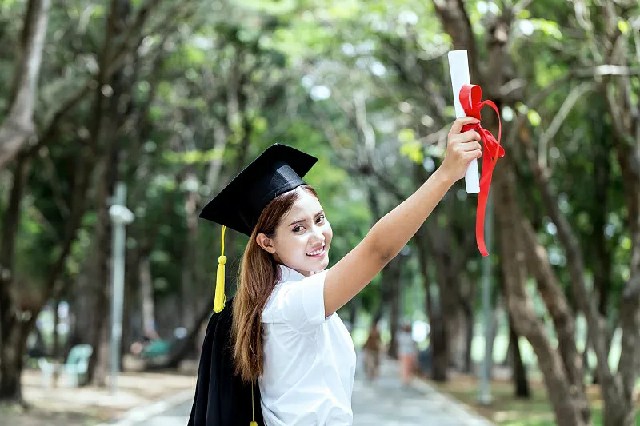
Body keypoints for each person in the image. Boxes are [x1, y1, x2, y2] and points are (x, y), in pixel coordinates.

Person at [189, 116, 482, 426]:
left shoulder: (280, 297)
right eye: (298, 228)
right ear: (267, 242)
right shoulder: (290, 302)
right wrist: (446, 173)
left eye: (319, 219)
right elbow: (377, 251)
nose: (317, 235)